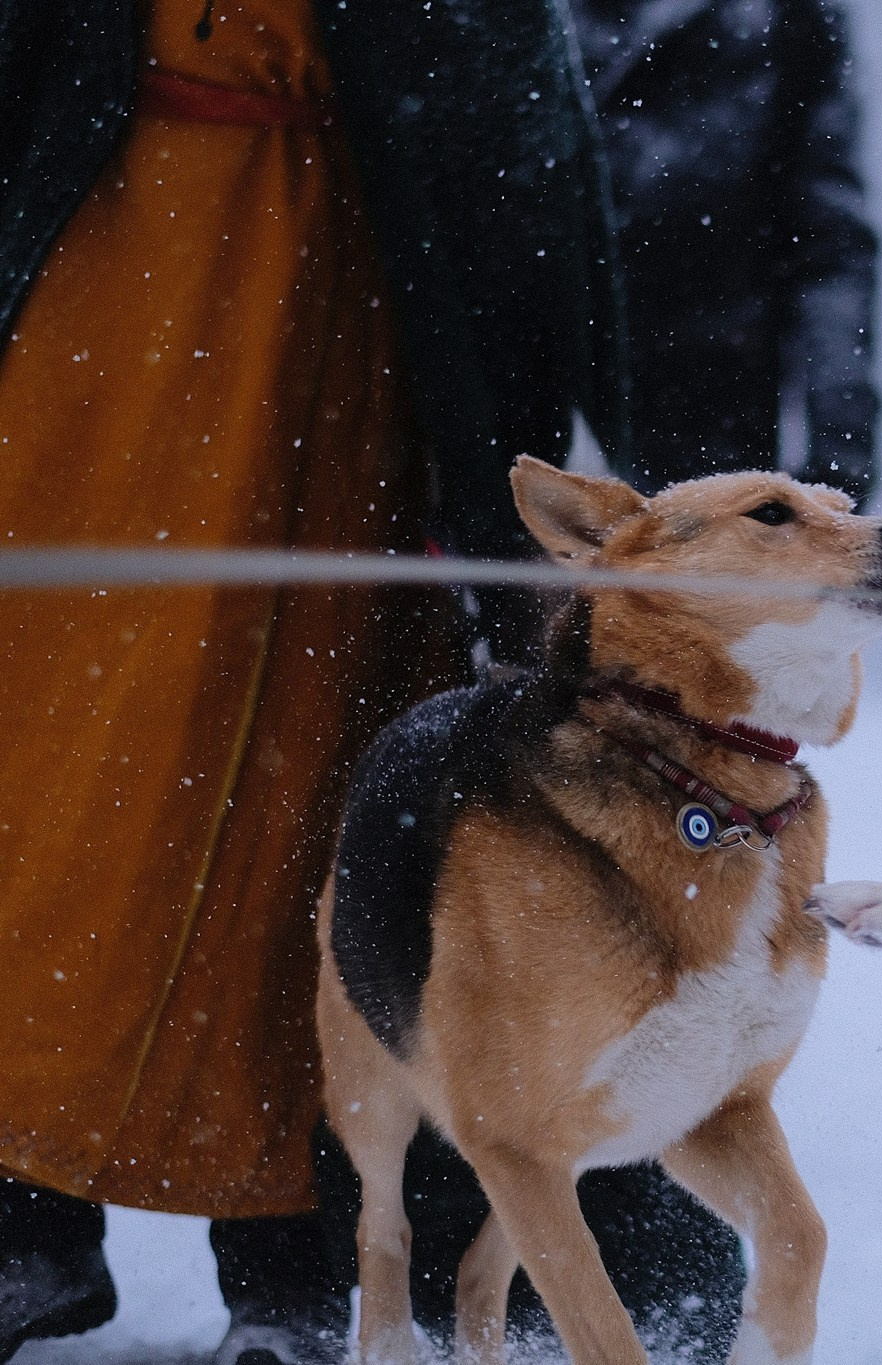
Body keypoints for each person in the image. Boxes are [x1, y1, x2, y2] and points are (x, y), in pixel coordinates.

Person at [0, 4, 739, 1362]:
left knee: (303, 796)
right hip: (89, 296)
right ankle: (24, 1221)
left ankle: (291, 1269)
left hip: (336, 321)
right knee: (43, 765)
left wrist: (517, 424)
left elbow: (505, 118)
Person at [571, 0, 882, 505]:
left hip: (709, 420)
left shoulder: (791, 18)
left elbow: (829, 243)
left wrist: (841, 444)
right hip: (530, 404)